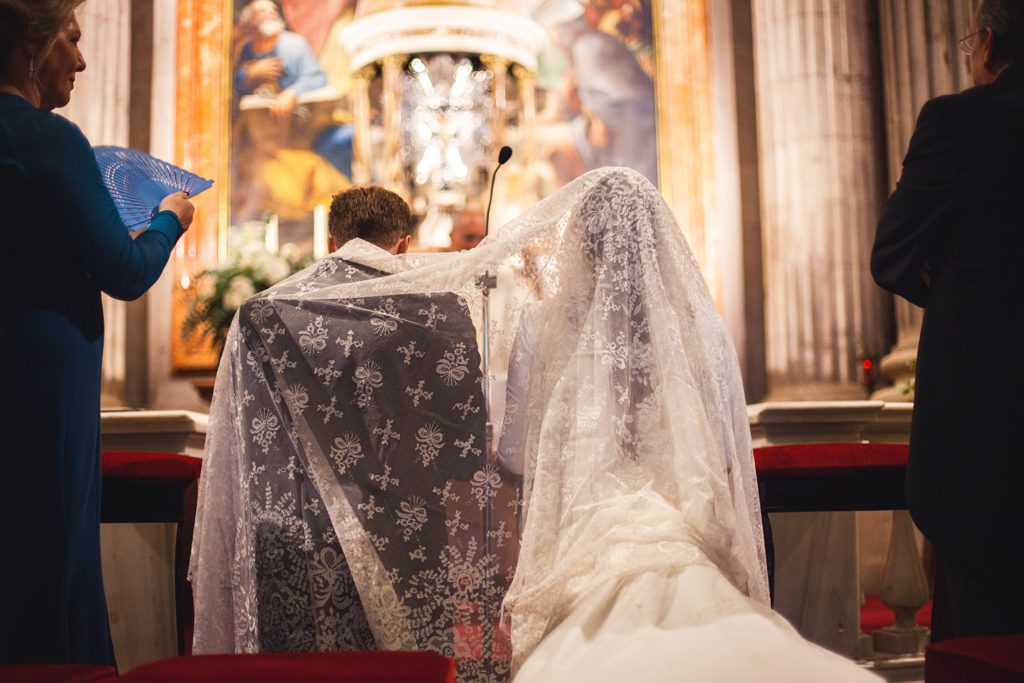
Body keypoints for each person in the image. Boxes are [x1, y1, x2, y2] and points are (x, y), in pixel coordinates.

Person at [191, 187, 502, 679]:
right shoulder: (441, 309)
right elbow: (461, 430)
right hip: (407, 522)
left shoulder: (265, 311)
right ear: (402, 243)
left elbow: (248, 439)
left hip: (298, 524)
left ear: (332, 241)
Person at [0, 0, 193, 666]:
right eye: (72, 40)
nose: (81, 59)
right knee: (51, 547)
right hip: (44, 374)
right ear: (32, 45)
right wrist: (169, 219)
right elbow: (126, 269)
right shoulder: (47, 139)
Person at [871, 0, 1024, 640]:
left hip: (987, 434)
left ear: (987, 43)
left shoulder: (959, 121)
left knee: (984, 637)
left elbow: (893, 255)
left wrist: (964, 281)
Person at [234, 0, 328, 119]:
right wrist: (250, 73)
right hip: (257, 121)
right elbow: (234, 86)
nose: (272, 13)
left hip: (294, 118)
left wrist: (292, 93)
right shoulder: (246, 49)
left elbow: (318, 78)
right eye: (263, 11)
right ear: (251, 20)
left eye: (274, 10)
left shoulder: (295, 43)